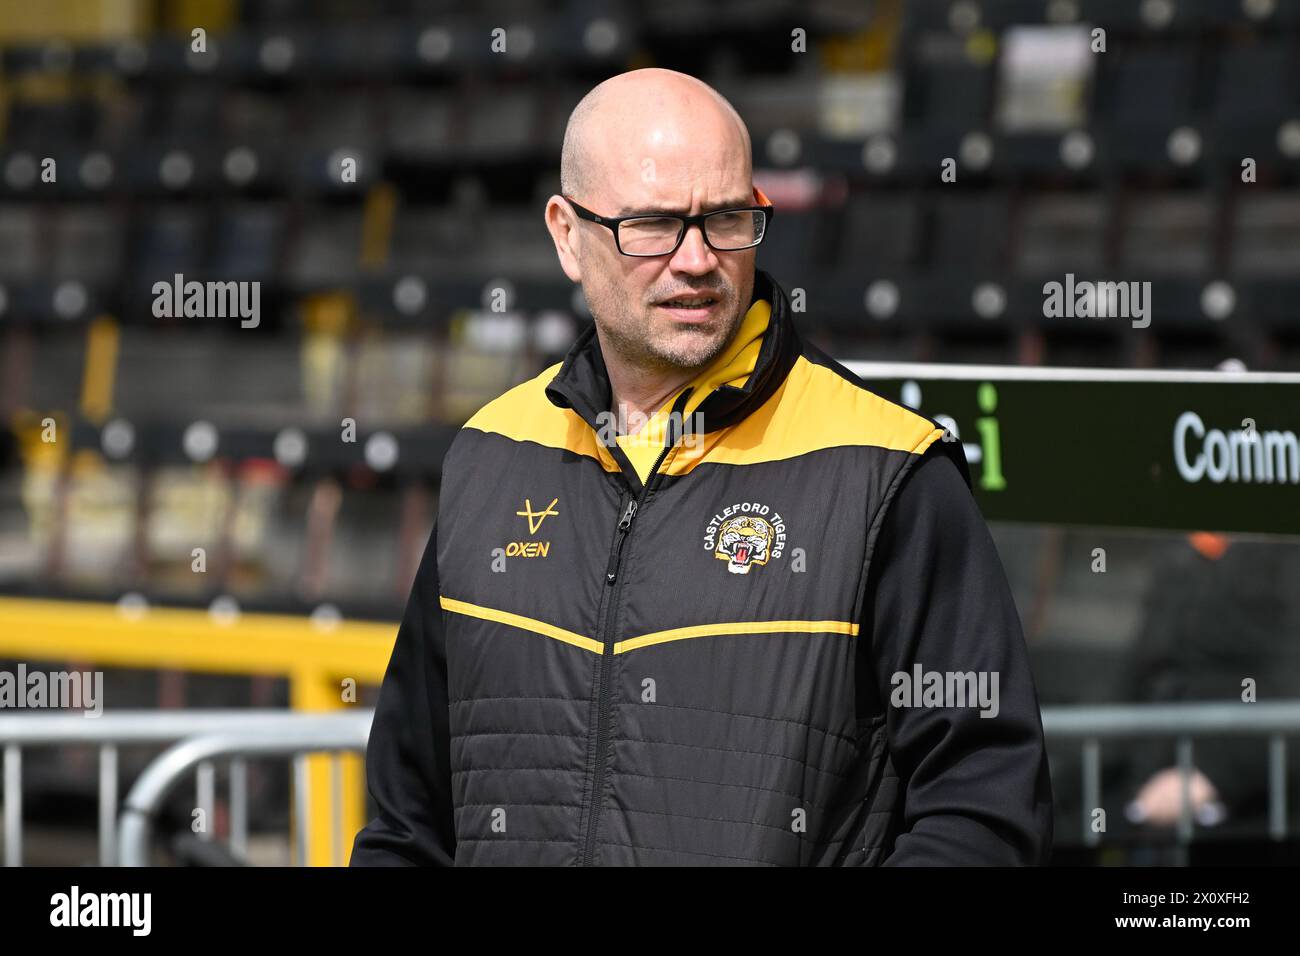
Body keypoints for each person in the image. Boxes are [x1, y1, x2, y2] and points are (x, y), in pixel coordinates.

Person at [351, 68, 1052, 866]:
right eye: (652, 225)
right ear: (566, 234)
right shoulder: (492, 456)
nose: (695, 260)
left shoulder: (889, 471)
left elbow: (986, 812)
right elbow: (407, 825)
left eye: (724, 218)